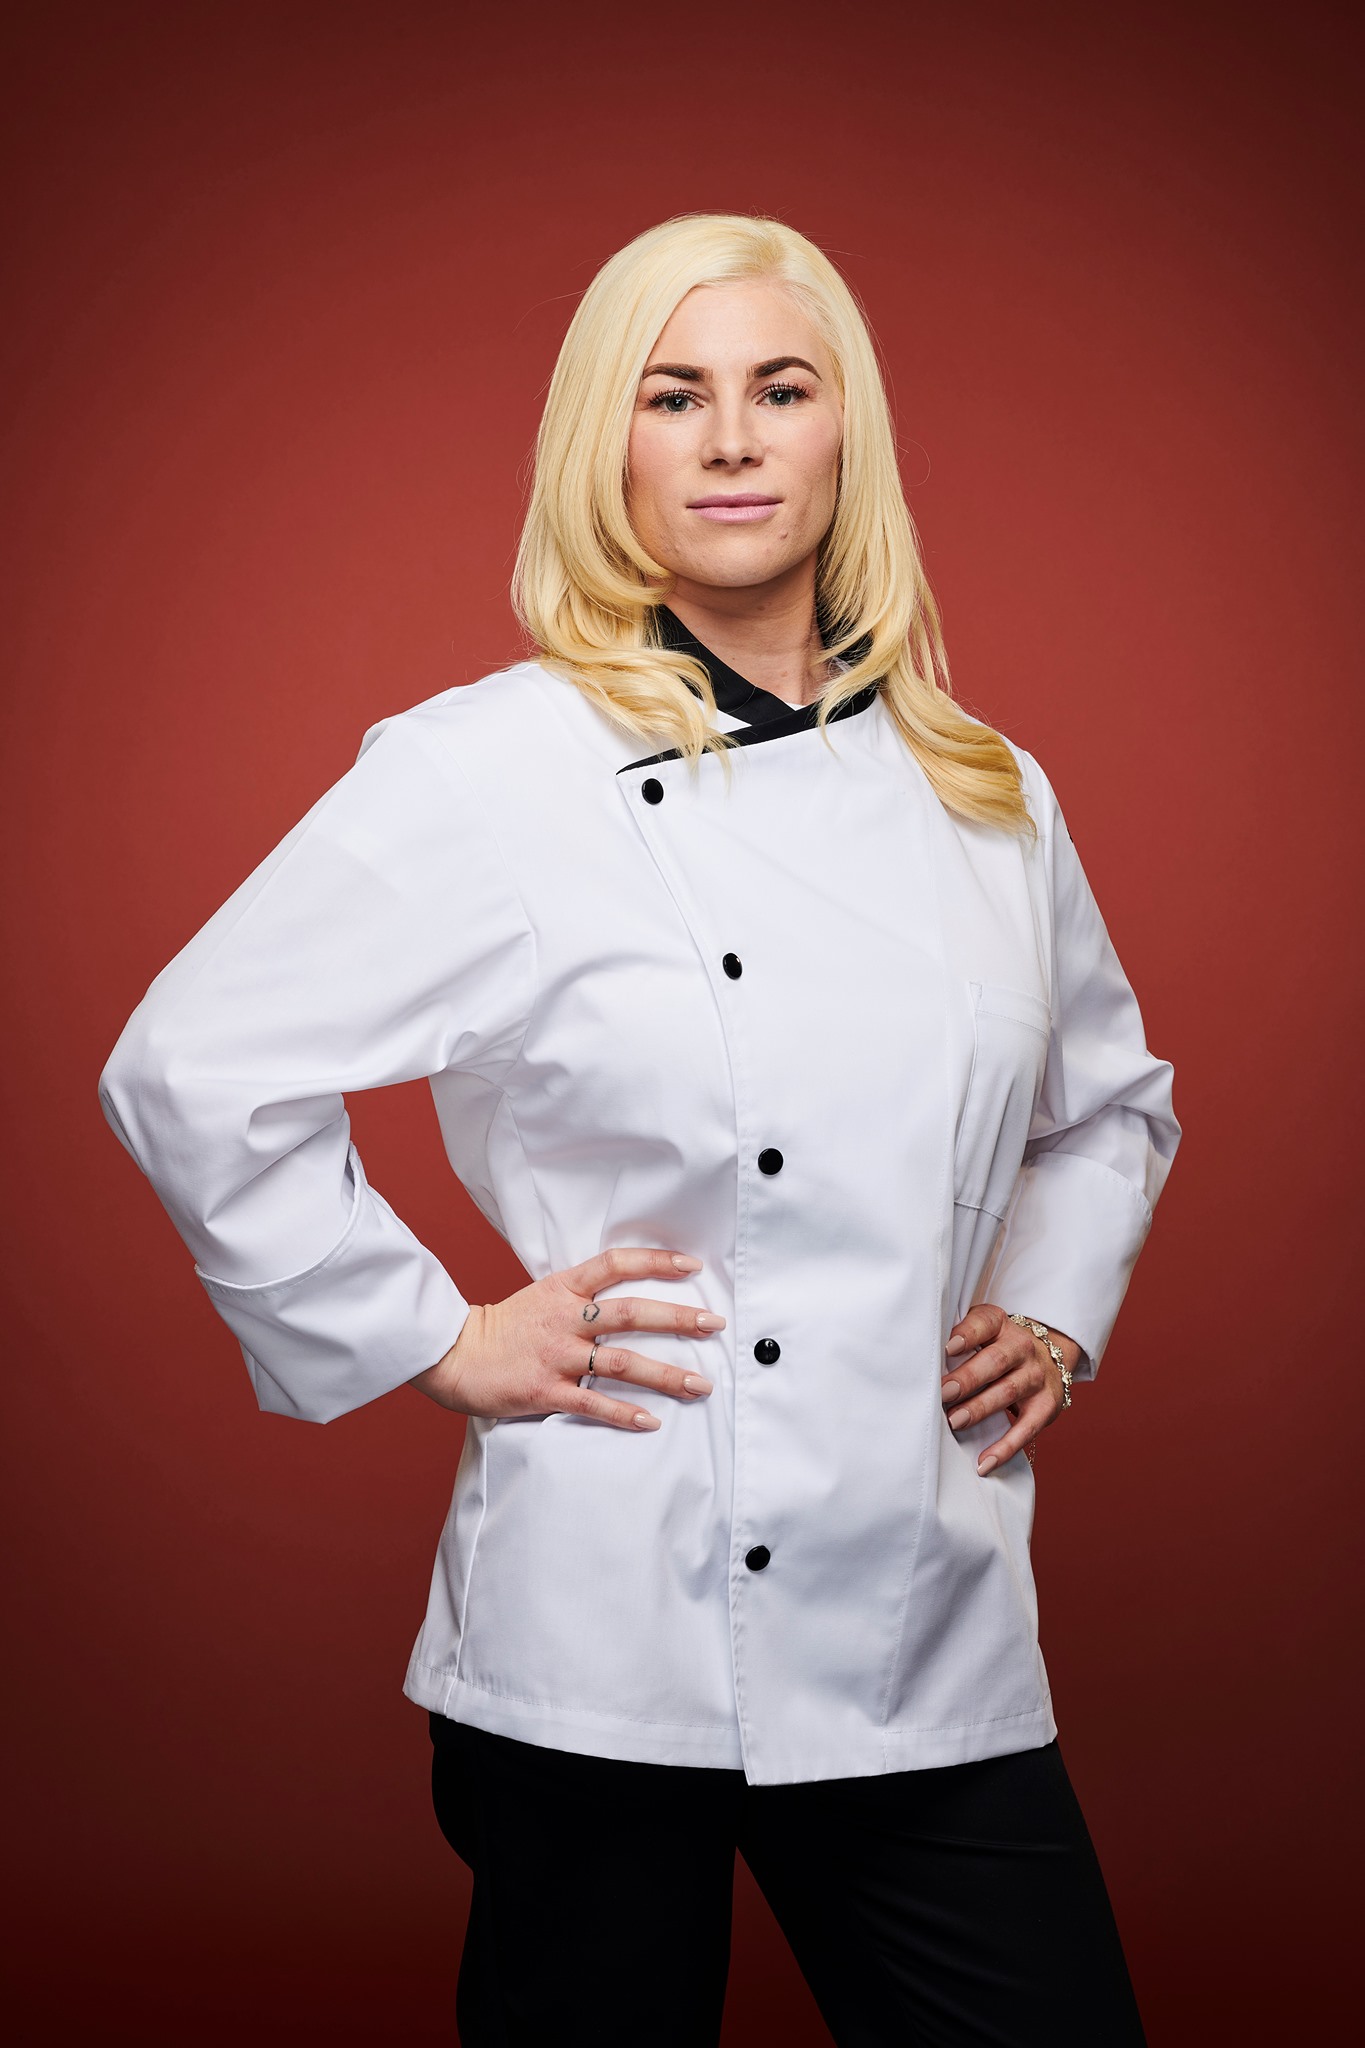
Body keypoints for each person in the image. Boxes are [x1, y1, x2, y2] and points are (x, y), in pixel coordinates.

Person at [98, 213, 1181, 2046]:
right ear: (604, 443)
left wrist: (1056, 1313)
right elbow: (192, 1064)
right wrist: (434, 1333)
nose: (732, 439)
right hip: (603, 1621)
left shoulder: (983, 793)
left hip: (914, 1608)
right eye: (673, 396)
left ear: (846, 434)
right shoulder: (486, 770)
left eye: (780, 389)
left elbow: (1109, 1108)